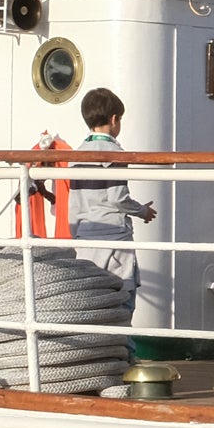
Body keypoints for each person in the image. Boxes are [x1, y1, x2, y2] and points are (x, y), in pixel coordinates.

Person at [66, 87, 161, 362]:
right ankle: (124, 360)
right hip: (114, 238)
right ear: (115, 119)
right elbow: (118, 197)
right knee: (122, 300)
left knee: (91, 302)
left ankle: (89, 360)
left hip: (85, 238)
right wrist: (142, 210)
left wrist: (77, 235)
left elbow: (74, 202)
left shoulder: (77, 155)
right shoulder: (114, 153)